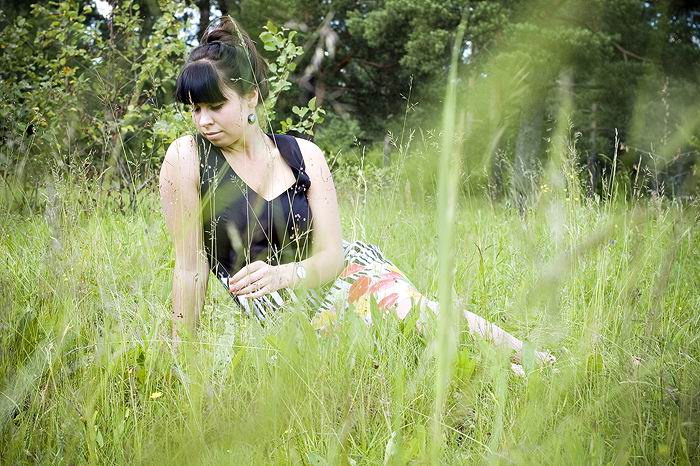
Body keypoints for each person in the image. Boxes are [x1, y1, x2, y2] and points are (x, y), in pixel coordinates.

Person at [158, 16, 554, 373]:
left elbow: (333, 255)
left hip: (342, 274)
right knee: (406, 358)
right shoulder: (188, 159)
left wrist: (284, 273)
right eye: (195, 109)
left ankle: (536, 361)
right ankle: (517, 377)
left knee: (413, 314)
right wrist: (182, 360)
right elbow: (190, 269)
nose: (203, 120)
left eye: (215, 106)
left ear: (250, 98)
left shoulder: (304, 155)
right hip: (283, 311)